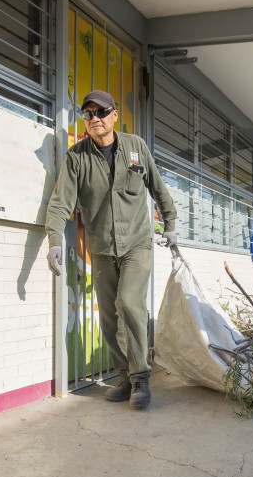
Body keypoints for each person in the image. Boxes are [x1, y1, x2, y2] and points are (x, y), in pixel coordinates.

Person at [45, 90, 178, 410]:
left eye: (101, 112)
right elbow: (60, 201)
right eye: (87, 114)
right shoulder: (77, 157)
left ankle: (142, 379)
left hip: (137, 242)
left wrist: (169, 223)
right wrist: (53, 241)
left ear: (115, 115)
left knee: (130, 303)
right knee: (108, 318)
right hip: (102, 247)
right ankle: (125, 376)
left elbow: (158, 188)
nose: (94, 120)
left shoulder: (136, 147)